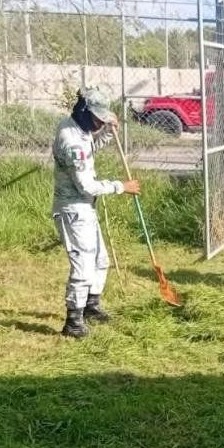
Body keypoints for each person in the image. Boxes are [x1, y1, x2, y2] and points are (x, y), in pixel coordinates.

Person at [51, 85, 141, 339]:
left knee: (101, 260)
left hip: (85, 207)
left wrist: (108, 134)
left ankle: (91, 306)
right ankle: (73, 322)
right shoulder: (71, 141)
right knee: (83, 265)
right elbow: (86, 185)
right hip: (73, 210)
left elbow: (91, 148)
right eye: (98, 119)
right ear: (83, 111)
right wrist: (121, 187)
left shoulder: (77, 127)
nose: (101, 123)